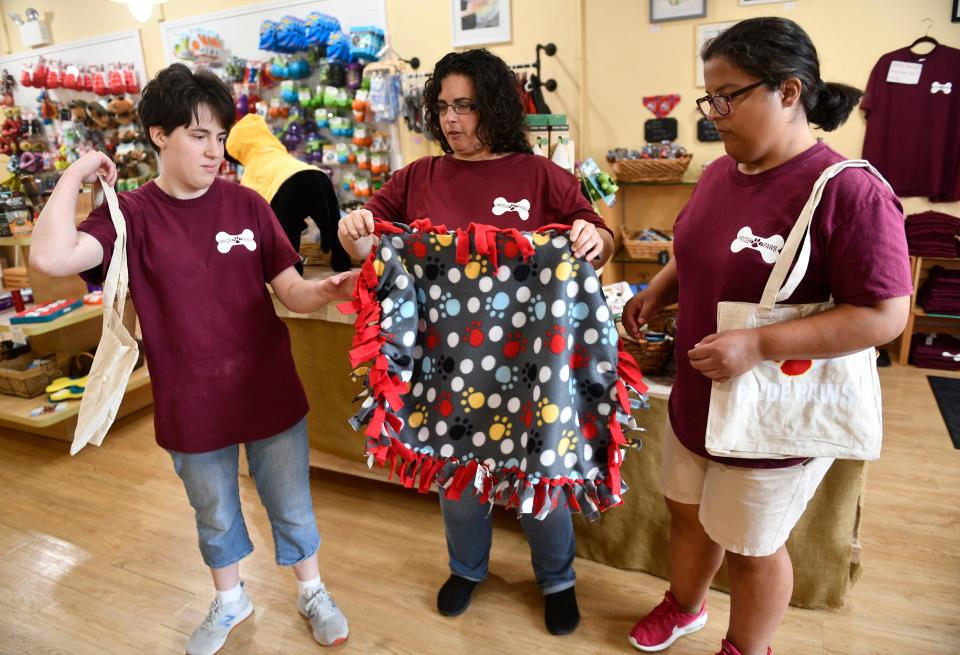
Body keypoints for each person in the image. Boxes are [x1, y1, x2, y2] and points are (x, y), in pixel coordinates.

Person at [30, 64, 357, 655]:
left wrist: (329, 290)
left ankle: (312, 591)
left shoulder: (248, 206)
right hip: (189, 399)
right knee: (212, 509)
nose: (215, 152)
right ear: (159, 134)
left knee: (291, 503)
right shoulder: (129, 215)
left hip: (268, 390)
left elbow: (291, 291)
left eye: (219, 137)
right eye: (198, 136)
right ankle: (231, 599)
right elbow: (52, 258)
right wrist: (79, 170)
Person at [621, 17, 913, 655]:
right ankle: (685, 605)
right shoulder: (723, 171)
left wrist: (759, 344)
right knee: (687, 512)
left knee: (753, 548)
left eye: (727, 96)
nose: (712, 114)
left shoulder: (849, 192)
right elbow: (695, 246)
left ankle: (746, 646)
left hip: (769, 410)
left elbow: (885, 316)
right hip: (699, 393)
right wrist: (660, 288)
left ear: (788, 91)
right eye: (709, 98)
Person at [338, 48, 613, 636]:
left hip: (532, 367)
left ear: (496, 106)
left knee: (540, 470)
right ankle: (467, 568)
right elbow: (369, 234)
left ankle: (557, 579)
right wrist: (354, 224)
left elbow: (598, 239)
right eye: (442, 108)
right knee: (456, 475)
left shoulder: (543, 176)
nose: (452, 120)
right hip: (445, 367)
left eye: (465, 106)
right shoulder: (418, 177)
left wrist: (595, 236)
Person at [226, 113, 352, 273]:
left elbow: (253, 202)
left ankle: (293, 267)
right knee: (333, 222)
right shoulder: (279, 153)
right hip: (316, 174)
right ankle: (341, 259)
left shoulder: (252, 167)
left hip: (286, 186)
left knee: (286, 230)